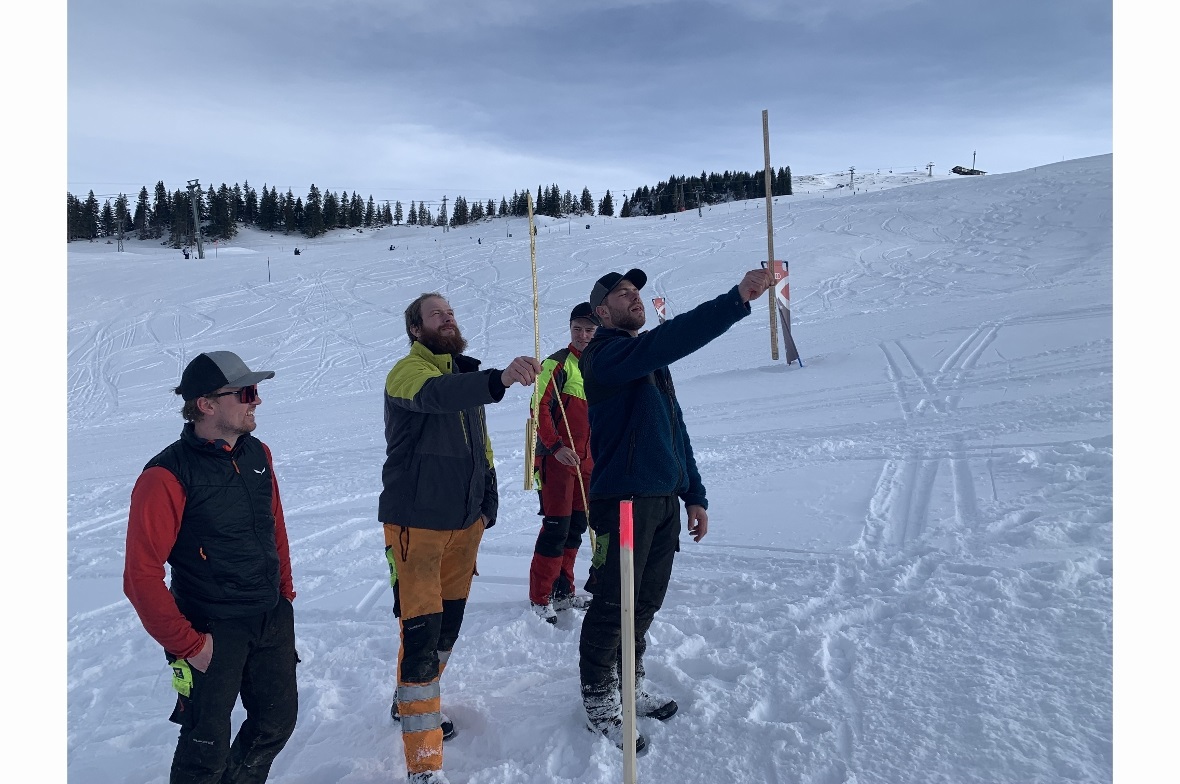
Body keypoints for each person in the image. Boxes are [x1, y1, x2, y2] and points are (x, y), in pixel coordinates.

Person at [577, 266, 772, 752]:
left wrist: (695, 494)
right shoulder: (604, 356)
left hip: (661, 501)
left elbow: (676, 431)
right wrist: (735, 300)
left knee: (645, 603)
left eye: (637, 291)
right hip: (620, 502)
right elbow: (665, 343)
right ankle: (600, 700)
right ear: (602, 313)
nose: (634, 298)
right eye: (622, 294)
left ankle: (627, 680)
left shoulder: (649, 363)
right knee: (611, 605)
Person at [381, 292, 541, 784]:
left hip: (463, 528)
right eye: (436, 314)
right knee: (423, 634)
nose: (447, 318)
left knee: (446, 630)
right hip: (417, 529)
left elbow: (483, 449)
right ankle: (424, 767)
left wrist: (487, 503)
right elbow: (436, 397)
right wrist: (497, 380)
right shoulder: (407, 375)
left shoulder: (464, 378)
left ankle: (406, 702)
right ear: (416, 330)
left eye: (451, 312)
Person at [123, 351, 298, 784]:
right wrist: (188, 644)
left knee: (275, 725)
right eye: (246, 393)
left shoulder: (258, 453)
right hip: (210, 630)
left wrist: (284, 598)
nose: (256, 401)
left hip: (268, 617)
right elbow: (140, 576)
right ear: (206, 404)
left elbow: (274, 526)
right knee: (205, 751)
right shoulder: (165, 475)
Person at [527, 302, 599, 623]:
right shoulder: (557, 364)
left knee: (575, 530)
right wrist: (555, 446)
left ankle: (563, 591)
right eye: (577, 329)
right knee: (556, 529)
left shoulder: (601, 367)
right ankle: (540, 597)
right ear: (570, 329)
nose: (583, 335)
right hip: (557, 460)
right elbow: (539, 409)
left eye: (589, 329)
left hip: (588, 463)